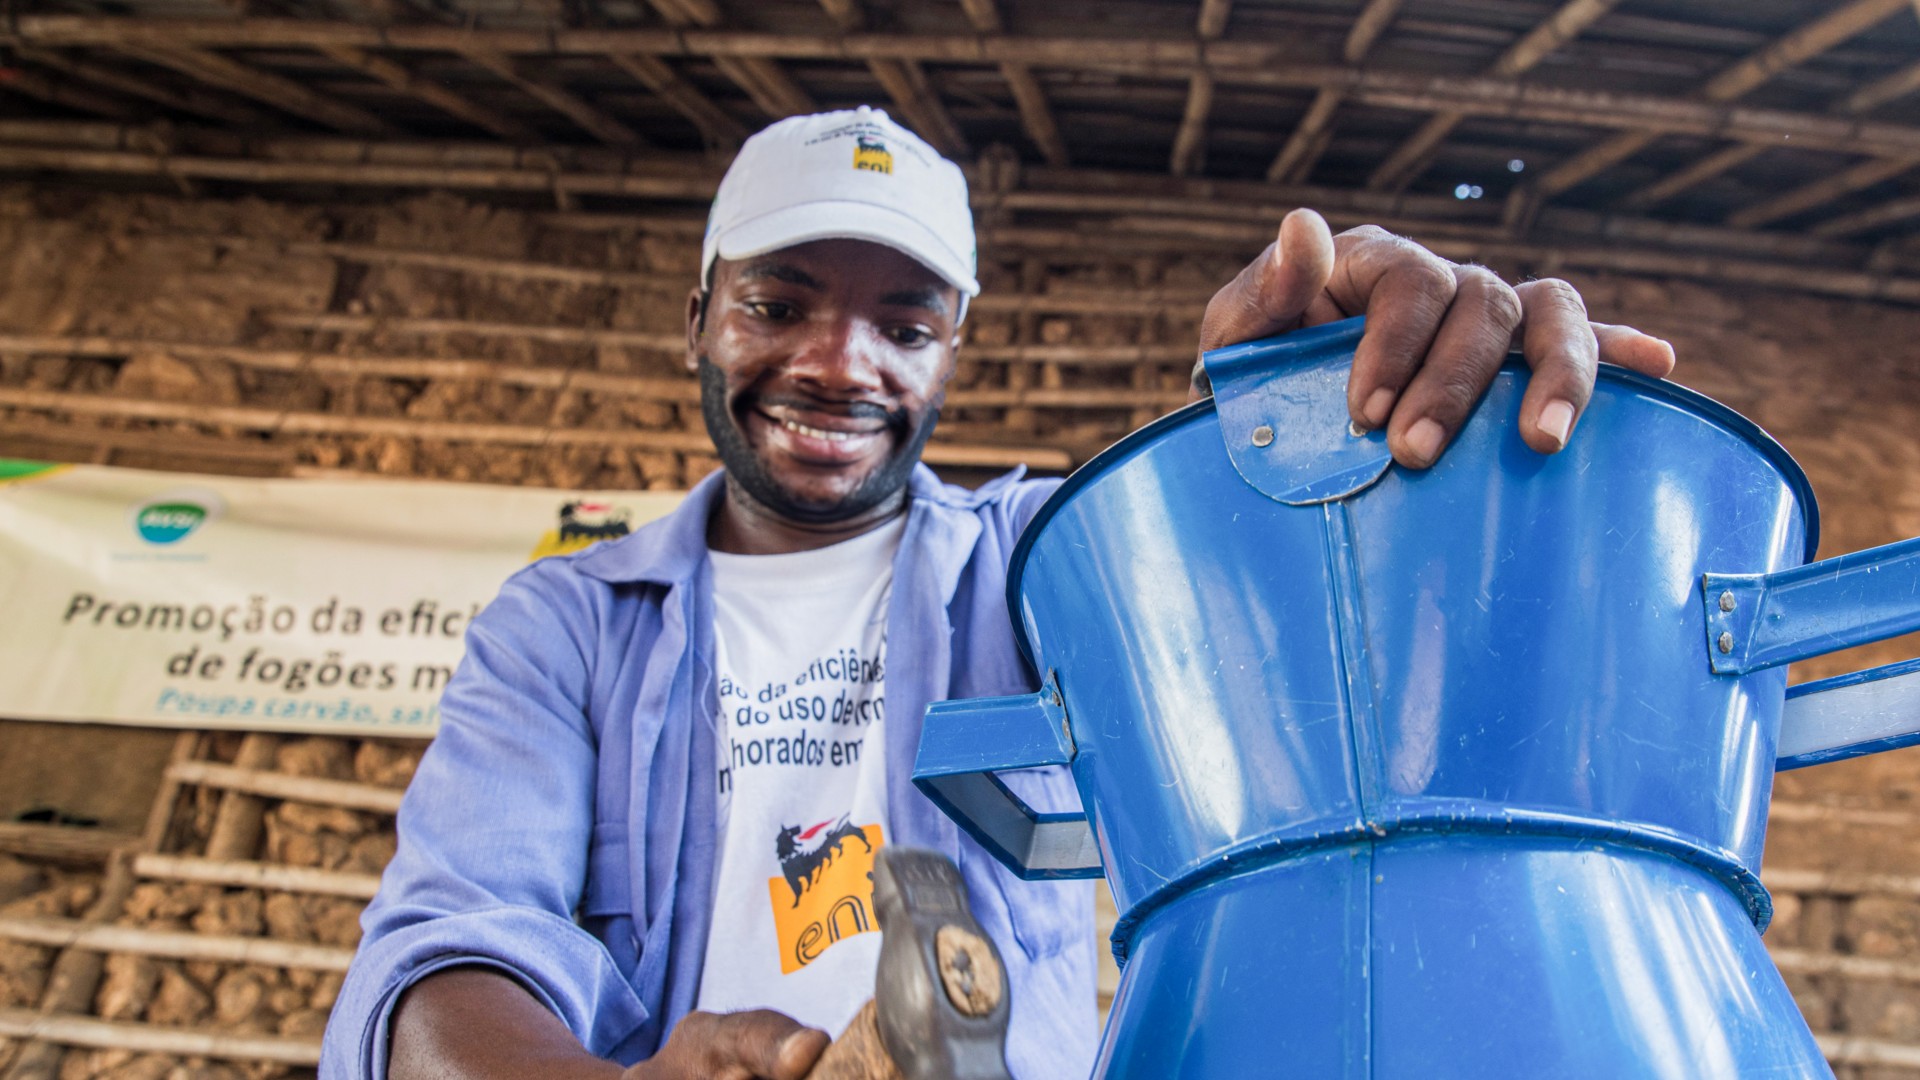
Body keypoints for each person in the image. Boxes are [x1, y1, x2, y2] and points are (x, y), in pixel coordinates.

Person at [320, 106, 1675, 1080]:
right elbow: (448, 950)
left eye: (905, 326)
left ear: (951, 355)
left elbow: (1288, 621)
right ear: (701, 317)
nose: (841, 363)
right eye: (779, 304)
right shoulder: (563, 627)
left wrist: (1321, 418)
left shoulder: (1043, 566)